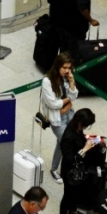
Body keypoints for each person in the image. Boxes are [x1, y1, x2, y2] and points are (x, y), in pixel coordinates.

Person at [58, 108, 104, 214]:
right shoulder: (68, 137)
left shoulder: (77, 129)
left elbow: (80, 140)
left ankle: (72, 210)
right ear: (80, 122)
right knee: (67, 195)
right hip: (69, 171)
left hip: (78, 170)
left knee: (75, 192)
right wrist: (85, 149)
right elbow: (70, 159)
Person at [41, 53, 79, 182]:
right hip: (57, 119)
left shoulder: (66, 78)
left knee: (62, 142)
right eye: (65, 68)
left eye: (69, 68)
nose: (67, 71)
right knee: (66, 142)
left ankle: (56, 167)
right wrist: (66, 104)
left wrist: (72, 81)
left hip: (70, 115)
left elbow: (74, 95)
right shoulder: (47, 81)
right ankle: (56, 169)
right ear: (58, 66)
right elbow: (53, 103)